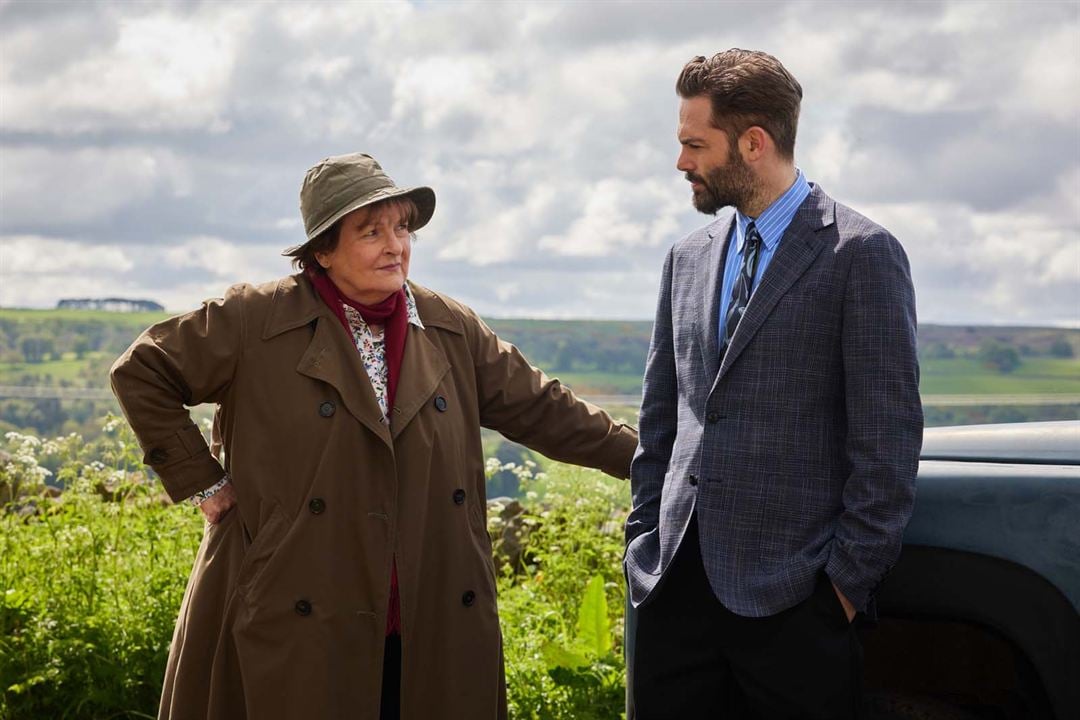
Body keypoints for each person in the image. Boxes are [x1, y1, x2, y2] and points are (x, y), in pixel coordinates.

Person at [110, 152, 638, 720]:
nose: (396, 246)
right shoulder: (254, 319)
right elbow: (142, 370)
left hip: (426, 610)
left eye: (402, 227)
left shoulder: (448, 325)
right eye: (371, 232)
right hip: (295, 601)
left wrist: (651, 456)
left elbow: (543, 409)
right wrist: (200, 479)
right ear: (323, 250)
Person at [624, 50, 923, 718]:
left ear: (753, 143)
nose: (681, 163)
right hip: (673, 592)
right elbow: (662, 421)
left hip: (796, 606)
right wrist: (643, 542)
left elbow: (889, 441)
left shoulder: (862, 255)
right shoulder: (688, 258)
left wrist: (841, 590)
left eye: (694, 144)